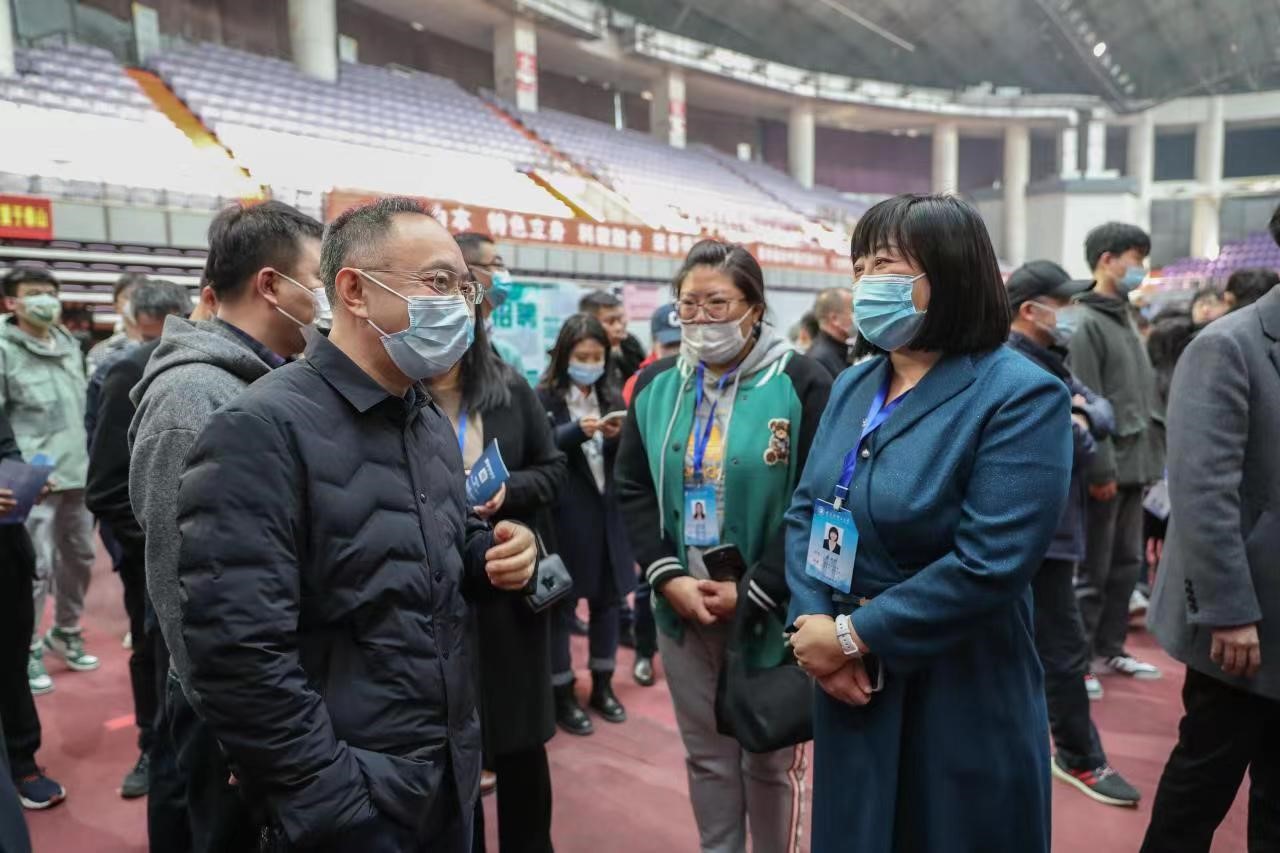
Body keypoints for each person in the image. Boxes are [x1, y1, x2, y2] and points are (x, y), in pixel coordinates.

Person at [175, 196, 536, 851]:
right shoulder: (259, 429)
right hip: (351, 802)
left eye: (466, 287)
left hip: (444, 774)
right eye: (438, 282)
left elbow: (428, 548)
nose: (461, 305)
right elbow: (238, 653)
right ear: (354, 291)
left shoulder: (422, 416)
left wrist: (491, 551)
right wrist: (332, 799)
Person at [785, 194, 1071, 852]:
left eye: (884, 264)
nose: (865, 282)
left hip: (958, 681)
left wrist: (852, 636)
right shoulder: (854, 383)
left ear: (951, 272)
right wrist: (812, 626)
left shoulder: (1019, 393)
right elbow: (806, 511)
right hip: (849, 684)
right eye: (859, 267)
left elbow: (990, 562)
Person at [617, 239, 831, 853]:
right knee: (706, 756)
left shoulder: (802, 382)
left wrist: (758, 588)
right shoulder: (656, 383)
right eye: (688, 305)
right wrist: (667, 577)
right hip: (682, 606)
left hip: (770, 609)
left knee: (768, 758)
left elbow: (820, 499)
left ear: (754, 308)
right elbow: (631, 486)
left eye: (718, 304)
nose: (701, 319)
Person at [129, 200, 324, 852]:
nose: (329, 299)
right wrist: (246, 728)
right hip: (234, 715)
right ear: (271, 284)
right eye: (319, 280)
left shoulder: (274, 382)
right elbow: (182, 590)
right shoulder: (193, 400)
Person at [1141, 284, 1280, 852]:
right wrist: (1228, 612)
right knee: (1203, 782)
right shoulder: (1229, 345)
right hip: (1244, 621)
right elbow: (1202, 492)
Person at [423, 316, 565, 853]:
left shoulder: (509, 388)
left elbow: (553, 469)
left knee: (520, 742)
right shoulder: (395, 392)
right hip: (435, 591)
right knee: (449, 753)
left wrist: (511, 491)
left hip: (508, 577)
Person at [1005, 260, 1140, 805]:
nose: (1070, 313)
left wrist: (1081, 414)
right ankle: (1079, 756)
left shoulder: (1050, 361)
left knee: (1052, 648)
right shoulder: (1013, 365)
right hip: (1035, 535)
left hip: (1056, 532)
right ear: (1029, 309)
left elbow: (1103, 413)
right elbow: (1074, 443)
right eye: (1063, 303)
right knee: (1061, 649)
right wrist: (1080, 417)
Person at [82, 280, 191, 802]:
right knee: (152, 650)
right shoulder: (125, 370)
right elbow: (105, 486)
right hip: (151, 548)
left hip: (196, 553)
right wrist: (158, 539)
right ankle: (151, 745)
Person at [1068, 222, 1164, 680]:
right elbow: (1088, 403)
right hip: (1108, 467)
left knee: (1126, 565)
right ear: (1107, 260)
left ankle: (1111, 648)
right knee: (1093, 571)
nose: (1141, 268)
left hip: (1136, 464)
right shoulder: (1085, 321)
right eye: (1135, 258)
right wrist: (1100, 469)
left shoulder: (1125, 316)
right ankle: (1080, 661)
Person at [0, 268, 99, 695]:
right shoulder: (3, 348)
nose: (46, 300)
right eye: (35, 293)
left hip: (79, 471)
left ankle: (67, 630)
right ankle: (28, 646)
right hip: (32, 480)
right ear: (12, 302)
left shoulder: (69, 344)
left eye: (51, 292)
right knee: (35, 568)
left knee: (79, 559)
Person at [536, 314, 634, 735]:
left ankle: (603, 684)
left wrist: (617, 436)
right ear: (564, 356)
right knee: (559, 607)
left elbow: (630, 456)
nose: (590, 364)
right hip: (563, 519)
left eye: (597, 357)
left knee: (608, 604)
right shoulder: (543, 398)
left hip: (608, 516)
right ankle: (562, 693)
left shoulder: (612, 395)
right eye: (582, 356)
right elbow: (538, 448)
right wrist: (575, 431)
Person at [0, 407, 65, 812]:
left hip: (7, 553)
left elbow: (6, 452)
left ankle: (22, 760)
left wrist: (25, 483)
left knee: (11, 662)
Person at [455, 232, 526, 375]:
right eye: (497, 264)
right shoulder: (446, 347)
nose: (504, 273)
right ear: (468, 272)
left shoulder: (507, 356)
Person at [86, 272, 148, 375]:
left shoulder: (164, 346)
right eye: (127, 296)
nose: (135, 301)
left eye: (141, 296)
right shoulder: (100, 352)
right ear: (116, 306)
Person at [579, 290, 646, 382]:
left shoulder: (630, 342)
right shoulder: (583, 351)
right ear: (590, 323)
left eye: (621, 318)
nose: (619, 327)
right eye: (610, 321)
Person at [806, 287, 853, 378]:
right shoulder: (819, 361)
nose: (860, 316)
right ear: (834, 319)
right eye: (854, 310)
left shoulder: (840, 351)